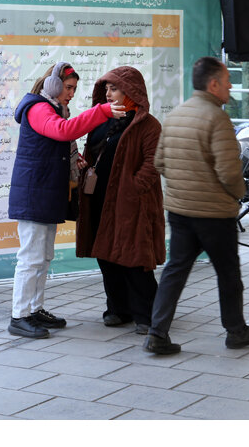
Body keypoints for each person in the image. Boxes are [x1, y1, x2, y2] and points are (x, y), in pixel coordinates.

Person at [144, 56, 249, 355]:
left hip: (180, 211)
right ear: (213, 84)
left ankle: (157, 333)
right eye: (227, 82)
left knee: (175, 271)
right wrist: (240, 194)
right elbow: (229, 172)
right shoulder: (217, 119)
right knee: (228, 274)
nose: (230, 88)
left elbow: (159, 162)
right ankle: (236, 331)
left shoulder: (176, 115)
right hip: (214, 214)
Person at [8, 61, 124, 339]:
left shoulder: (52, 108)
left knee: (43, 256)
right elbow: (63, 131)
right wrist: (101, 111)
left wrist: (75, 159)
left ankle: (34, 309)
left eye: (74, 89)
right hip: (35, 195)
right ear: (53, 85)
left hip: (45, 194)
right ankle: (19, 316)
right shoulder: (37, 108)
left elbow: (59, 141)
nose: (71, 94)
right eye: (68, 88)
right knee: (31, 258)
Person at [75, 66, 165, 335]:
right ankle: (118, 309)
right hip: (99, 197)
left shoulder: (148, 125)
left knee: (133, 256)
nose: (108, 93)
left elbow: (154, 162)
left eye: (114, 89)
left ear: (130, 91)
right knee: (106, 255)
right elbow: (94, 152)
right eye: (106, 89)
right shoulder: (102, 120)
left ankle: (147, 315)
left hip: (131, 202)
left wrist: (133, 187)